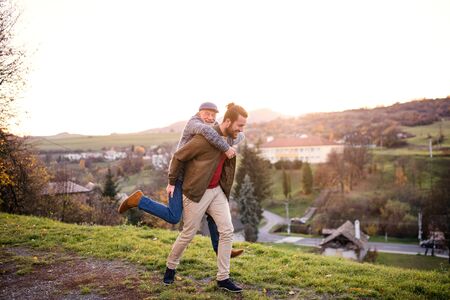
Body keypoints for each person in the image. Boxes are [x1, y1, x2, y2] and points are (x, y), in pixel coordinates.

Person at [118, 102, 244, 258]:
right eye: (206, 114)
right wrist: (171, 182)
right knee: (174, 216)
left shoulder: (213, 124)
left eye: (213, 115)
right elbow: (211, 134)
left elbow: (231, 135)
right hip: (179, 176)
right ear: (199, 113)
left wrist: (234, 133)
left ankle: (221, 249)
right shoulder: (195, 124)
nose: (210, 118)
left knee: (213, 215)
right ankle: (139, 200)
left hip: (195, 178)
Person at [163, 103, 247, 293]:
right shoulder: (203, 139)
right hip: (197, 193)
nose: (242, 131)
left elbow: (237, 138)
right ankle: (170, 267)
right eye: (240, 126)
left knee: (227, 231)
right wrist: (172, 181)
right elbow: (178, 156)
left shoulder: (230, 139)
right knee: (188, 233)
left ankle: (223, 278)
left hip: (217, 191)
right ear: (227, 121)